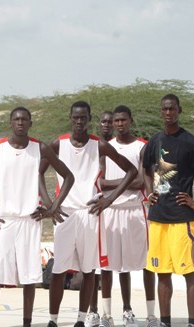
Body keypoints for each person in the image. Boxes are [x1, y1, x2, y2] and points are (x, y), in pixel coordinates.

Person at [0, 107, 75, 327]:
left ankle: (27, 323)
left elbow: (68, 176)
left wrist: (52, 208)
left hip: (30, 220)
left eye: (24, 119)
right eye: (16, 119)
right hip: (4, 222)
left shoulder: (40, 148)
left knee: (30, 279)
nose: (20, 122)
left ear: (30, 123)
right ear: (11, 122)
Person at [40, 101, 137, 327]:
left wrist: (109, 199)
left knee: (89, 270)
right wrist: (50, 204)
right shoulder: (59, 143)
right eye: (76, 118)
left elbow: (131, 171)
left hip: (90, 213)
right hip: (65, 214)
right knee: (58, 270)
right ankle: (53, 320)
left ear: (89, 118)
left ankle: (82, 320)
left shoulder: (99, 145)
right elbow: (39, 173)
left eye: (84, 118)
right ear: (71, 118)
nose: (80, 122)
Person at [143, 94, 194, 327]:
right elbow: (145, 168)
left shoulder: (192, 143)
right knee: (162, 273)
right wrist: (149, 192)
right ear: (161, 111)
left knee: (189, 273)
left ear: (179, 110)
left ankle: (191, 324)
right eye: (165, 109)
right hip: (158, 218)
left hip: (182, 220)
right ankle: (165, 322)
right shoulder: (155, 141)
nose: (168, 113)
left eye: (172, 109)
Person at [99, 105, 158, 327]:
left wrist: (119, 185)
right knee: (108, 265)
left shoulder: (142, 146)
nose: (120, 124)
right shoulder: (105, 146)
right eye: (116, 121)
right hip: (111, 210)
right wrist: (127, 182)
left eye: (124, 120)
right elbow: (101, 181)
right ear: (112, 123)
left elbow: (144, 180)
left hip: (136, 211)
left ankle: (151, 314)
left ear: (131, 121)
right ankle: (107, 314)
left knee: (146, 265)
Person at [85, 110, 115, 327]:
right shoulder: (93, 146)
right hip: (93, 208)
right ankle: (92, 311)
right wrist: (112, 183)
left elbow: (138, 178)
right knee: (92, 265)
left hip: (113, 208)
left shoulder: (114, 147)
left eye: (110, 121)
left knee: (107, 265)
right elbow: (100, 182)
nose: (107, 124)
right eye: (103, 121)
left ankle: (107, 312)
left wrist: (109, 184)